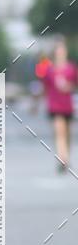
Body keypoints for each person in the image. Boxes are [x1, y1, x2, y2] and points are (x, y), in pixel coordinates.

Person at [39, 38, 77, 172]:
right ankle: (63, 159)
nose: (61, 53)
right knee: (59, 132)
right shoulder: (49, 70)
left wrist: (68, 86)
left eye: (63, 50)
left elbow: (75, 85)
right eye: (59, 51)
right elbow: (44, 88)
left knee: (67, 134)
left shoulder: (71, 68)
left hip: (68, 106)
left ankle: (65, 156)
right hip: (55, 106)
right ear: (55, 53)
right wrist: (36, 103)